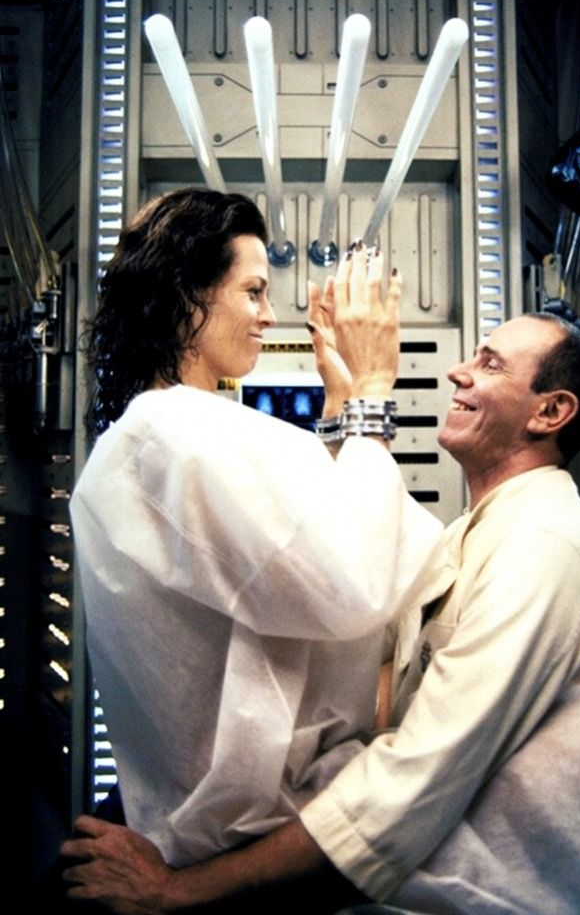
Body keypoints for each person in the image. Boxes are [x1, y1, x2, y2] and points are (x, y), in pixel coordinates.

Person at [61, 311, 580, 914]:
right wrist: (344, 408)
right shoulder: (471, 536)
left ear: (551, 412)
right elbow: (343, 593)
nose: (458, 372)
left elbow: (416, 779)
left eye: (490, 365)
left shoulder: (542, 548)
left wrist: (178, 890)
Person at [60, 187, 447, 885]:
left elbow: (286, 551)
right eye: (254, 291)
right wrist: (371, 391)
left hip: (220, 813)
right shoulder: (176, 433)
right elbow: (353, 585)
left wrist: (340, 407)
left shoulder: (162, 432)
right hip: (246, 823)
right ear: (188, 295)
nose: (270, 315)